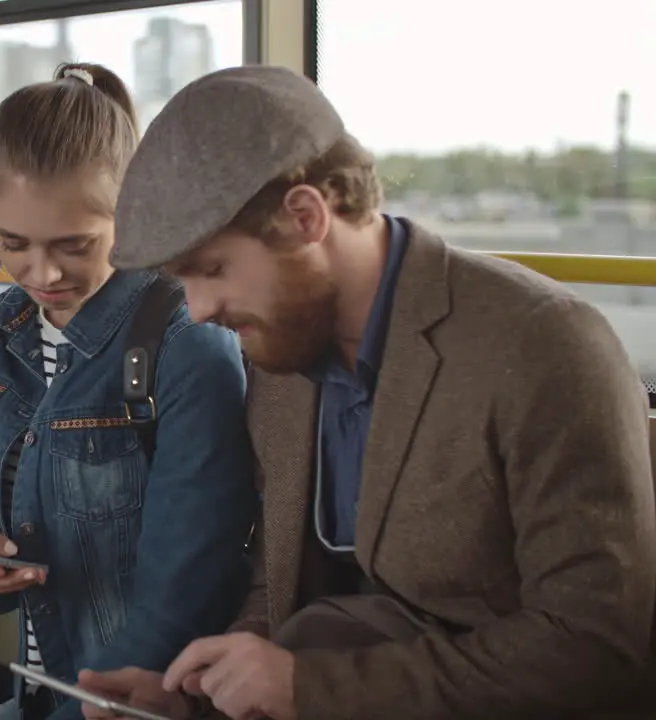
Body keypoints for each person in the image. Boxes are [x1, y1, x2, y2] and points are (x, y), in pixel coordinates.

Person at [77, 65, 656, 719]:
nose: (201, 308)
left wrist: (313, 689)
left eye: (213, 269)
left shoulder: (542, 344)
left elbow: (597, 649)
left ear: (305, 217)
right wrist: (193, 697)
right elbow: (278, 591)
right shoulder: (279, 354)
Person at [0, 63, 258, 720]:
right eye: (11, 244)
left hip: (127, 702)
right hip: (33, 689)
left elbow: (189, 583)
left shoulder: (185, 342)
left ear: (134, 209)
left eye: (74, 246)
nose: (42, 273)